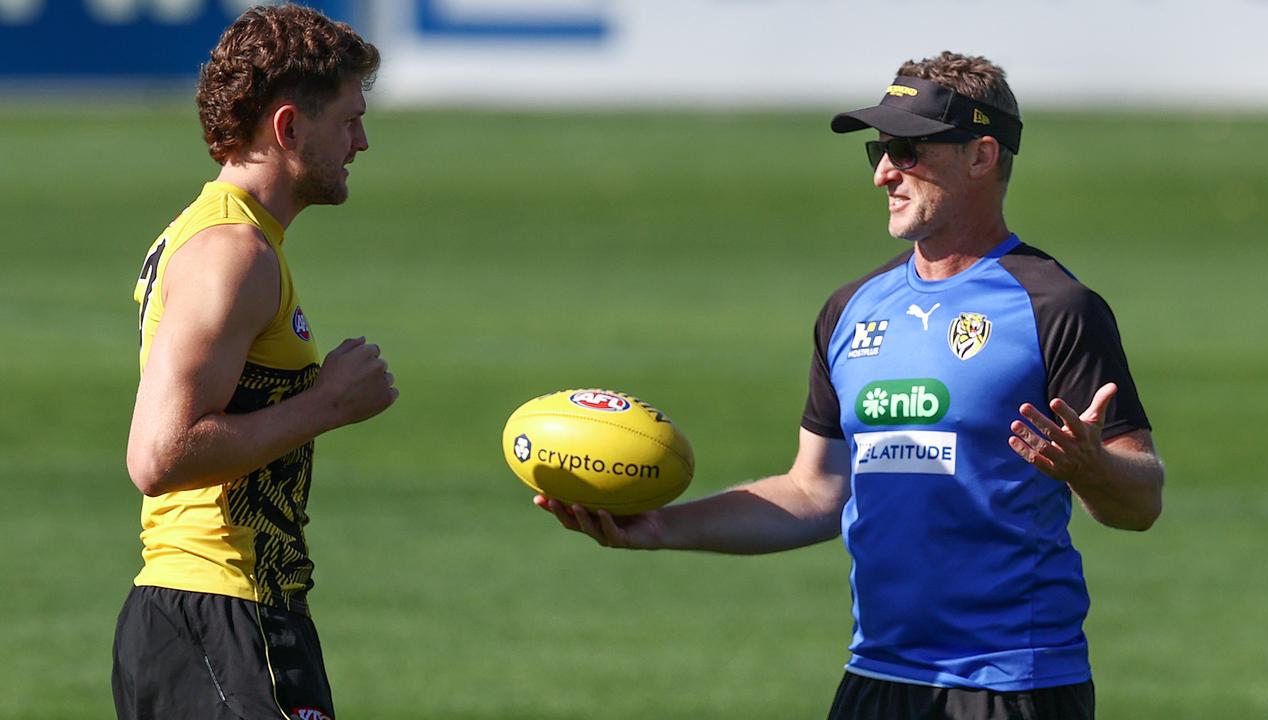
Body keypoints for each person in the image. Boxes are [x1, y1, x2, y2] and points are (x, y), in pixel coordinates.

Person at [536, 51, 1164, 720]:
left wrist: (1092, 469)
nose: (884, 172)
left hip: (1013, 683)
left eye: (908, 150)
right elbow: (816, 490)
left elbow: (1141, 500)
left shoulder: (1055, 306)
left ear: (982, 156)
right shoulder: (853, 309)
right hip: (877, 678)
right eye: (879, 150)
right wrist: (660, 527)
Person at [112, 6, 393, 719]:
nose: (361, 142)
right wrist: (328, 404)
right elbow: (159, 455)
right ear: (290, 127)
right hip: (217, 613)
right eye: (349, 120)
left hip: (236, 613)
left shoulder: (225, 239)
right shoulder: (231, 254)